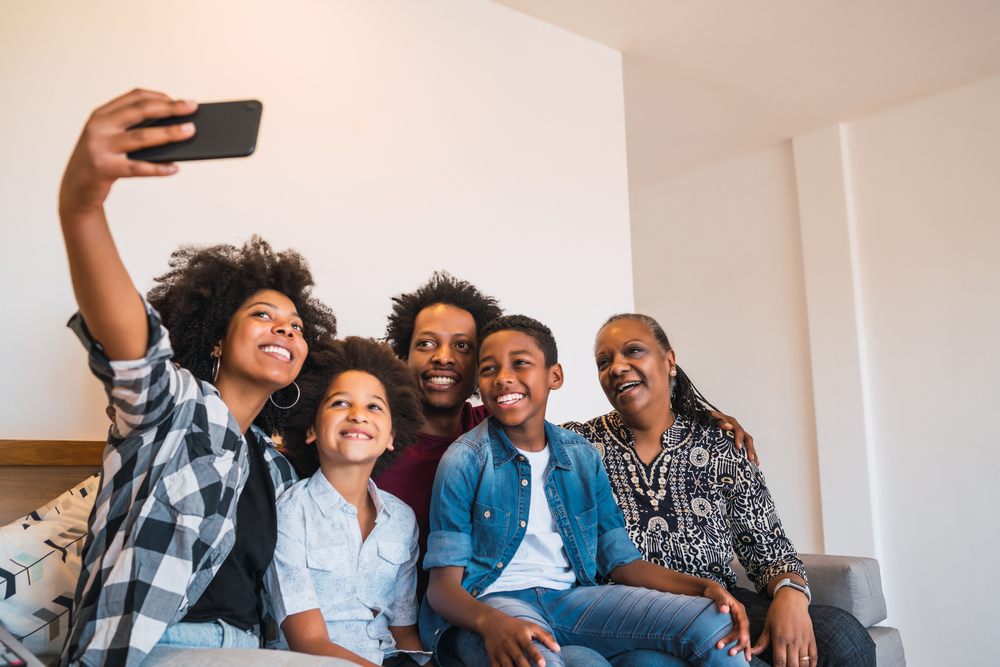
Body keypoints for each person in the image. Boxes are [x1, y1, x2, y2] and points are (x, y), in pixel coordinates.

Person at [56, 89, 337, 667]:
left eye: (297, 326)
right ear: (214, 336)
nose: (285, 330)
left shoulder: (278, 468)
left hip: (252, 651)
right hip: (153, 649)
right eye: (263, 315)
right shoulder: (172, 408)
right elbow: (130, 339)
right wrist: (82, 206)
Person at [375, 273, 756, 605]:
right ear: (402, 355)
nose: (444, 357)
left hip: (558, 603)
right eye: (426, 343)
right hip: (428, 614)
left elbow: (544, 425)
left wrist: (698, 419)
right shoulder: (375, 441)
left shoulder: (502, 429)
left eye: (463, 346)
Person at [421, 315, 753, 667]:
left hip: (570, 602)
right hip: (494, 603)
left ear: (555, 376)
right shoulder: (465, 459)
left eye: (520, 363)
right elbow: (442, 588)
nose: (503, 377)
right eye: (488, 369)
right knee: (544, 660)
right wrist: (491, 622)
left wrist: (701, 587)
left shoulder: (580, 455)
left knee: (714, 619)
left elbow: (622, 563)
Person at [563, 314, 876, 667]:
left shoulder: (720, 444)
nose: (617, 367)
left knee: (843, 637)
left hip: (720, 602)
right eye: (604, 362)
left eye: (633, 351)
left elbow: (768, 549)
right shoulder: (578, 446)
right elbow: (514, 425)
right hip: (631, 611)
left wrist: (791, 594)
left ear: (669, 362)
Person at [266, 337, 429, 666]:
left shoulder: (402, 519)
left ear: (392, 437)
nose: (358, 415)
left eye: (374, 406)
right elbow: (308, 642)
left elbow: (404, 634)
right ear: (310, 428)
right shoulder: (289, 513)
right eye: (340, 403)